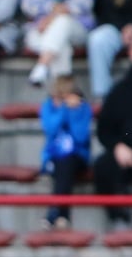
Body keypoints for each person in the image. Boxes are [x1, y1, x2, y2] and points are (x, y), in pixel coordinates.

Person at [93, 32, 132, 231]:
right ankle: (119, 218)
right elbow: (104, 129)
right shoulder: (119, 91)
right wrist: (118, 146)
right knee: (104, 164)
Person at [38, 75, 92, 229]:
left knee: (66, 163)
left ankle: (54, 212)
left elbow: (80, 137)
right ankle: (62, 215)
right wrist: (62, 110)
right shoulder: (48, 107)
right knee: (62, 164)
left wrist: (74, 112)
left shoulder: (83, 109)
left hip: (77, 156)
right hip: (53, 155)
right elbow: (50, 130)